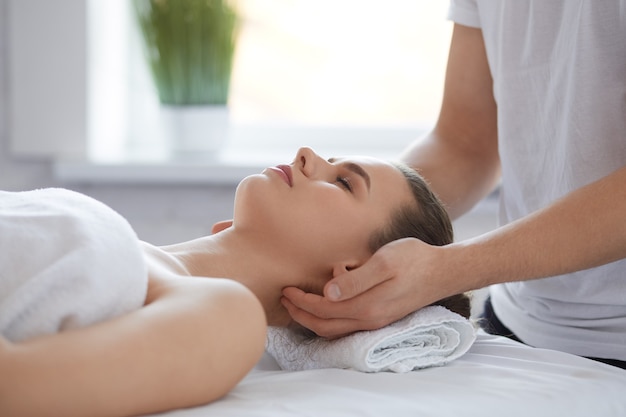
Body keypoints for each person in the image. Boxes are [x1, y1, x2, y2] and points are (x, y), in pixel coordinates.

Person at [0, 146, 470, 417]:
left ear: (352, 276)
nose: (307, 155)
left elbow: (16, 386)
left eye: (345, 183)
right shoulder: (135, 252)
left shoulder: (226, 317)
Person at [282, 0, 626, 369]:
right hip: (518, 321)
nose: (305, 156)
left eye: (344, 181)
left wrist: (449, 270)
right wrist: (353, 228)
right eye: (343, 181)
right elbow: (464, 143)